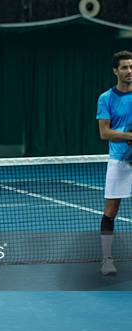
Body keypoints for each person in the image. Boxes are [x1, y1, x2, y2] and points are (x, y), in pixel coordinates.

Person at [97, 50, 132, 276]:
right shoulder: (106, 98)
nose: (129, 71)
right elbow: (104, 132)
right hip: (119, 161)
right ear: (115, 71)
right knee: (110, 211)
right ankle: (107, 260)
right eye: (125, 68)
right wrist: (129, 136)